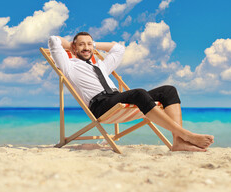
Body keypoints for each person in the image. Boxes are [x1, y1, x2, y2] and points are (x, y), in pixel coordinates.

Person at [48, 32, 214, 152]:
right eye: (82, 44)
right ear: (74, 48)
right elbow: (54, 40)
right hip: (102, 106)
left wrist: (93, 44)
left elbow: (119, 49)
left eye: (89, 44)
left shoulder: (101, 66)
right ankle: (186, 135)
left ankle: (178, 141)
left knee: (169, 90)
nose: (86, 47)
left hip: (116, 98)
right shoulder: (69, 66)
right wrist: (72, 45)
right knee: (138, 94)